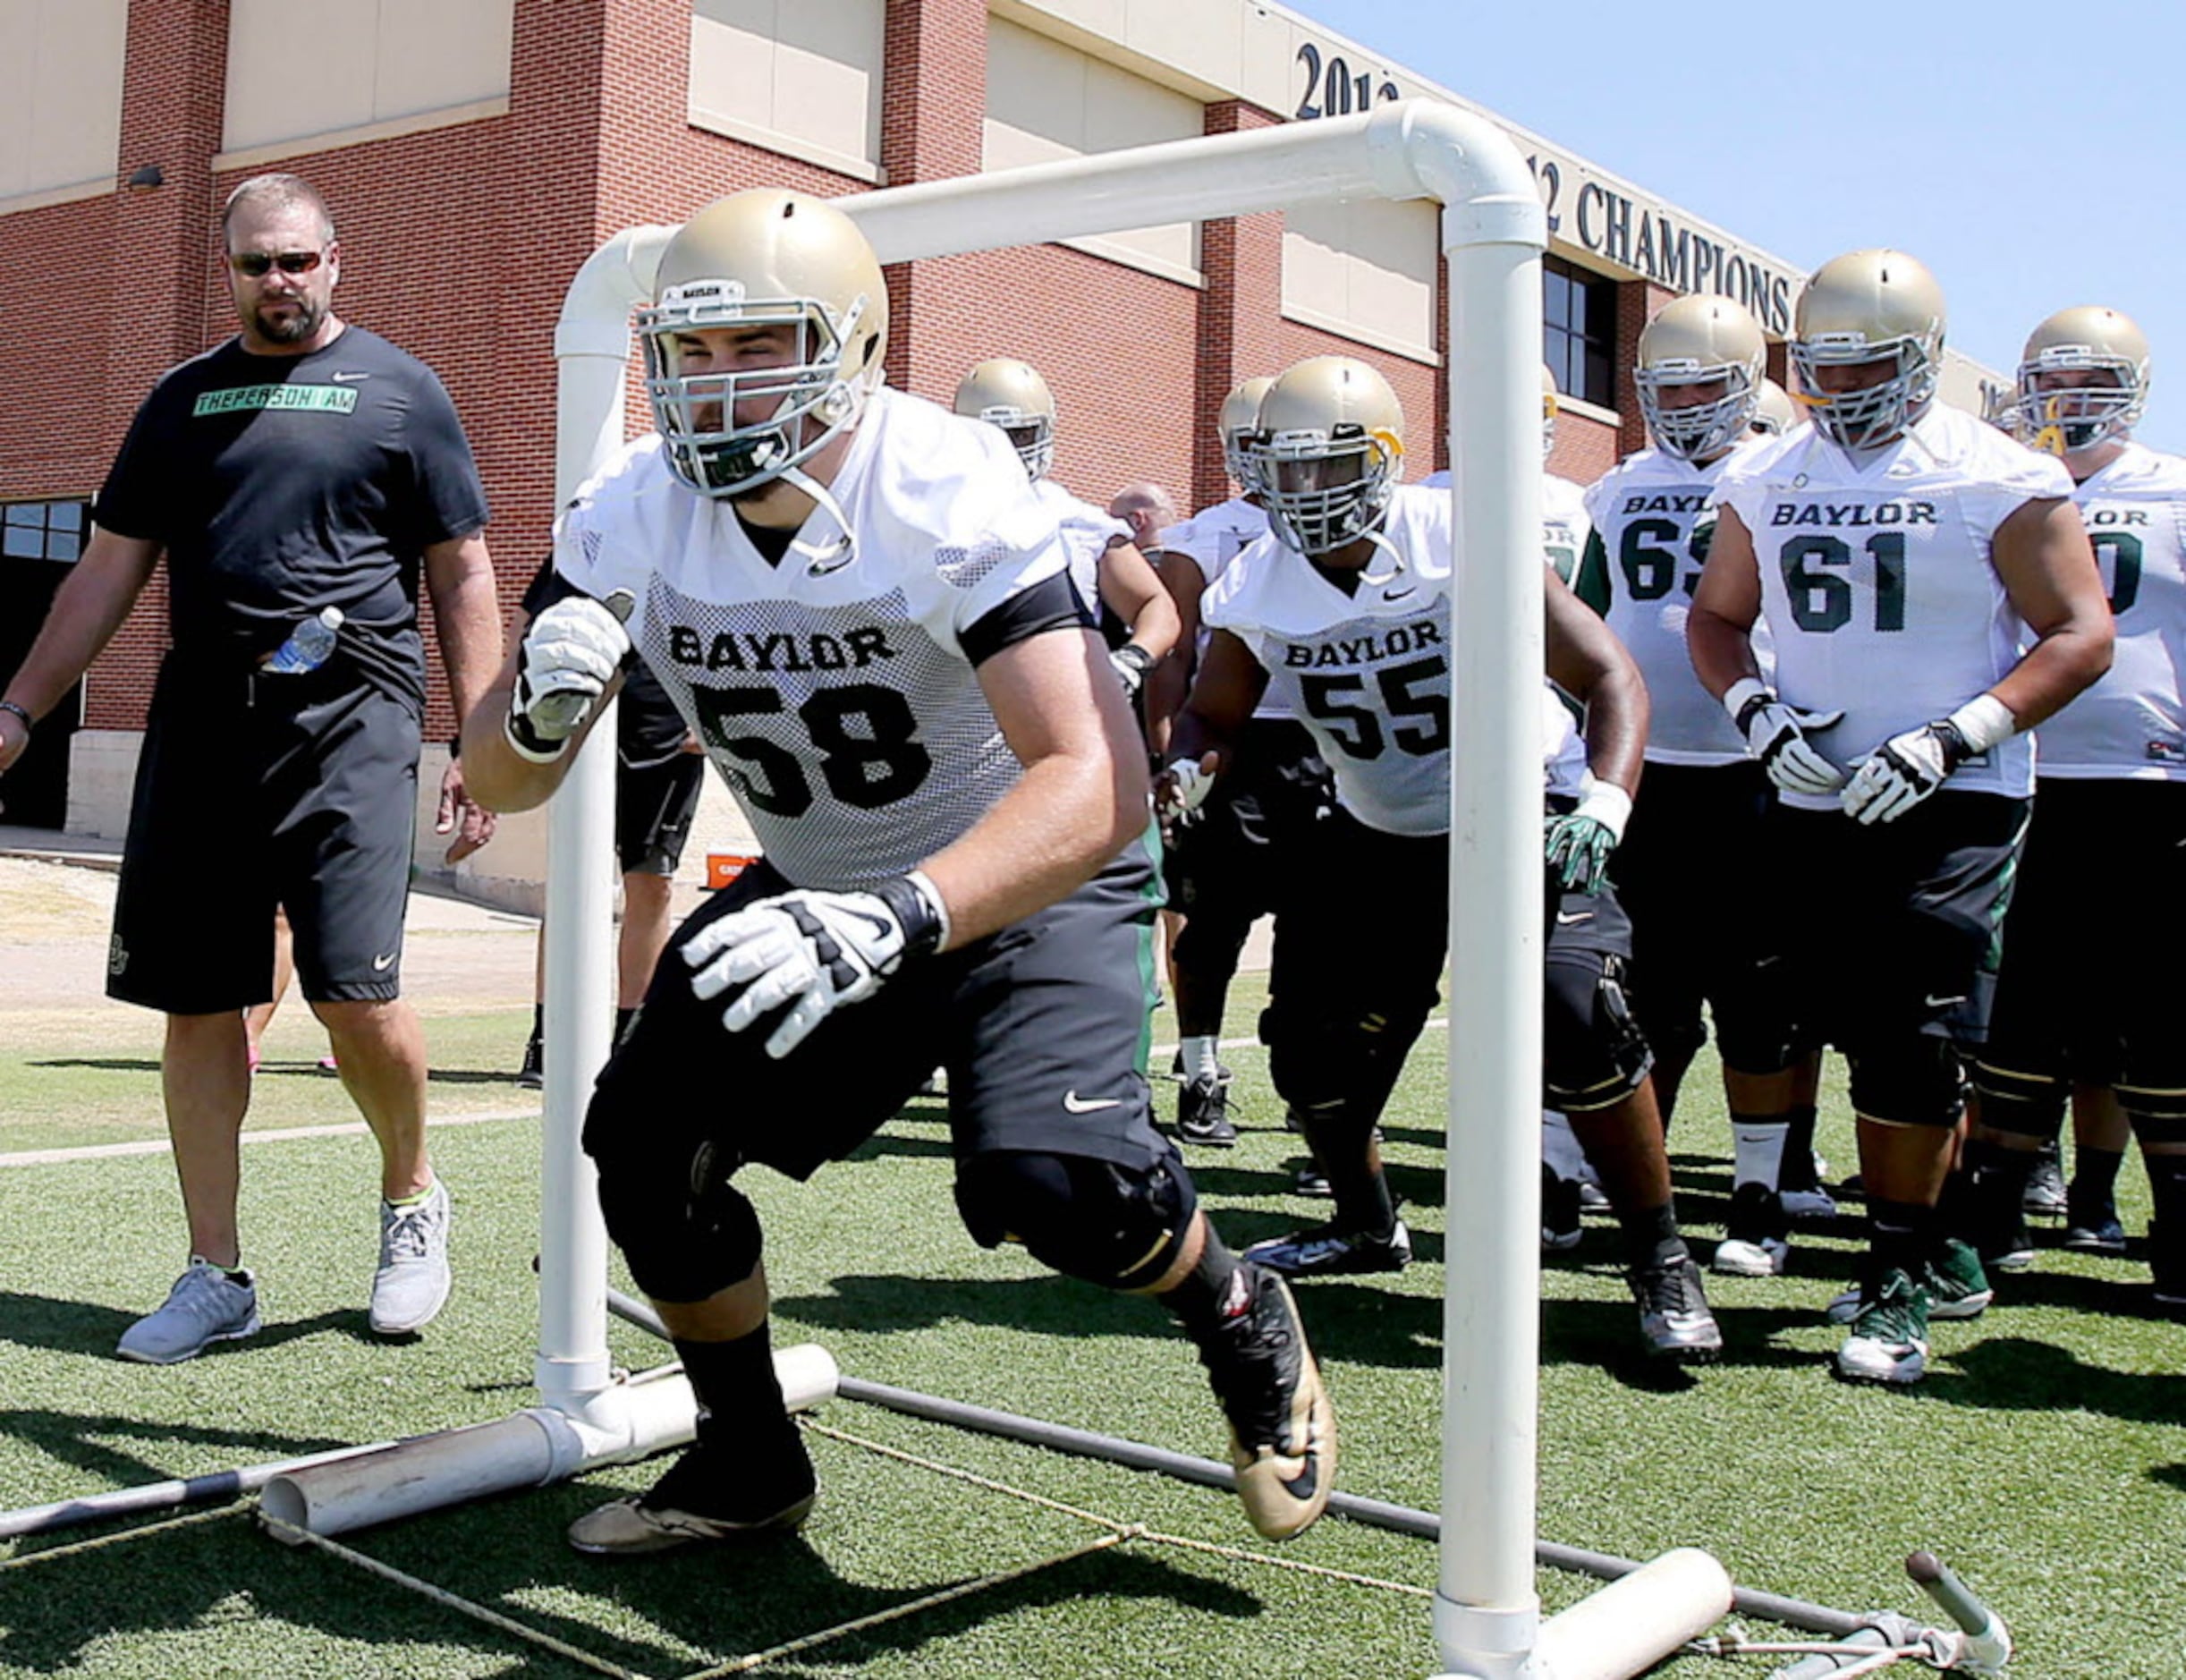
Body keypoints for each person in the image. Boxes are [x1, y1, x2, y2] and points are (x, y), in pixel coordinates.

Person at [459, 189, 1334, 1554]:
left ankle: (1239, 1309)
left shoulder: (942, 485)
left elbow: (1091, 779)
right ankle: (750, 1460)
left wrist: (908, 912)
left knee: (1056, 1189)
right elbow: (502, 783)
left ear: (850, 348)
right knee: (644, 1153)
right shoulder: (627, 508)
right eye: (691, 352)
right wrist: (523, 719)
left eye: (756, 343)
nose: (716, 383)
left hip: (1025, 869)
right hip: (822, 882)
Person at [0, 174, 502, 1362]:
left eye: (297, 261)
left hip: (353, 722)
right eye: (255, 264)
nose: (278, 282)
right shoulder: (180, 400)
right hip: (204, 725)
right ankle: (215, 1272)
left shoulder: (402, 391)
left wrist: (479, 737)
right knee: (197, 1003)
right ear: (226, 272)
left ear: (338, 261)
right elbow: (106, 572)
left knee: (351, 991)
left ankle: (411, 1195)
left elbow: (464, 571)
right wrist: (19, 706)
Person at [1165, 355, 1723, 1364]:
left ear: (1382, 461)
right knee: (1308, 1053)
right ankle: (1365, 1222)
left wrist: (1602, 796)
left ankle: (1657, 1255)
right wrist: (1184, 768)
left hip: (1525, 807)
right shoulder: (1254, 582)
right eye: (1284, 474)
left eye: (1326, 469)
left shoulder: (1464, 538)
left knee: (1575, 1009)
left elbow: (1609, 676)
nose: (1305, 497)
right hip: (1382, 830)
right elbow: (1212, 709)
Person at [1689, 248, 2113, 1386]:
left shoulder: (1996, 472)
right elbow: (1717, 619)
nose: (1842, 385)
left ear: (1922, 356)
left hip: (1954, 794)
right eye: (1821, 364)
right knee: (1787, 1009)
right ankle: (1793, 1212)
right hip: (1809, 787)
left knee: (1914, 1033)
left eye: (1868, 360)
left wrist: (1953, 736)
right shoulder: (1766, 471)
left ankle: (1895, 1272)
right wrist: (1754, 713)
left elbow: (2079, 632)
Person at [1573, 294, 1831, 1281]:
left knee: (1760, 996)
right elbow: (1588, 619)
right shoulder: (1616, 485)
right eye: (1665, 387)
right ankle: (1642, 1178)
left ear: (1743, 388)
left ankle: (1760, 1191)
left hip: (1756, 768)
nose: (1681, 405)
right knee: (1647, 991)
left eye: (1701, 385)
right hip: (1647, 772)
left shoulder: (1780, 472)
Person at [1949, 306, 2186, 1313]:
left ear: (2129, 388)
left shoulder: (2171, 490)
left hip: (2147, 786)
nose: (2063, 401)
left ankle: (2172, 1220)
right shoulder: (1997, 484)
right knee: (2016, 1012)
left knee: (2158, 1018)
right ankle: (1991, 1208)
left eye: (2087, 381)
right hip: (2021, 775)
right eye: (2047, 380)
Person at [1147, 378, 1335, 1150]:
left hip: (1326, 742)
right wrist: (1170, 759)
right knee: (1212, 925)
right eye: (1257, 444)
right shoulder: (1206, 537)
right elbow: (1175, 658)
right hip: (1230, 738)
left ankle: (1311, 1080)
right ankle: (1200, 1073)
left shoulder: (1339, 522)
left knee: (1317, 928)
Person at [952, 359, 1179, 729]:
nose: (1005, 450)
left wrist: (1130, 660)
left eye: (1019, 435)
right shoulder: (934, 518)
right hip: (961, 711)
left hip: (1062, 710)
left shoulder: (1081, 523)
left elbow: (1156, 605)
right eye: (989, 435)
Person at [516, 649, 706, 1087]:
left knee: (651, 884)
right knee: (571, 883)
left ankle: (632, 1040)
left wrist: (711, 714)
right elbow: (538, 615)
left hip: (671, 738)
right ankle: (549, 1037)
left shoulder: (707, 576)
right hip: (585, 725)